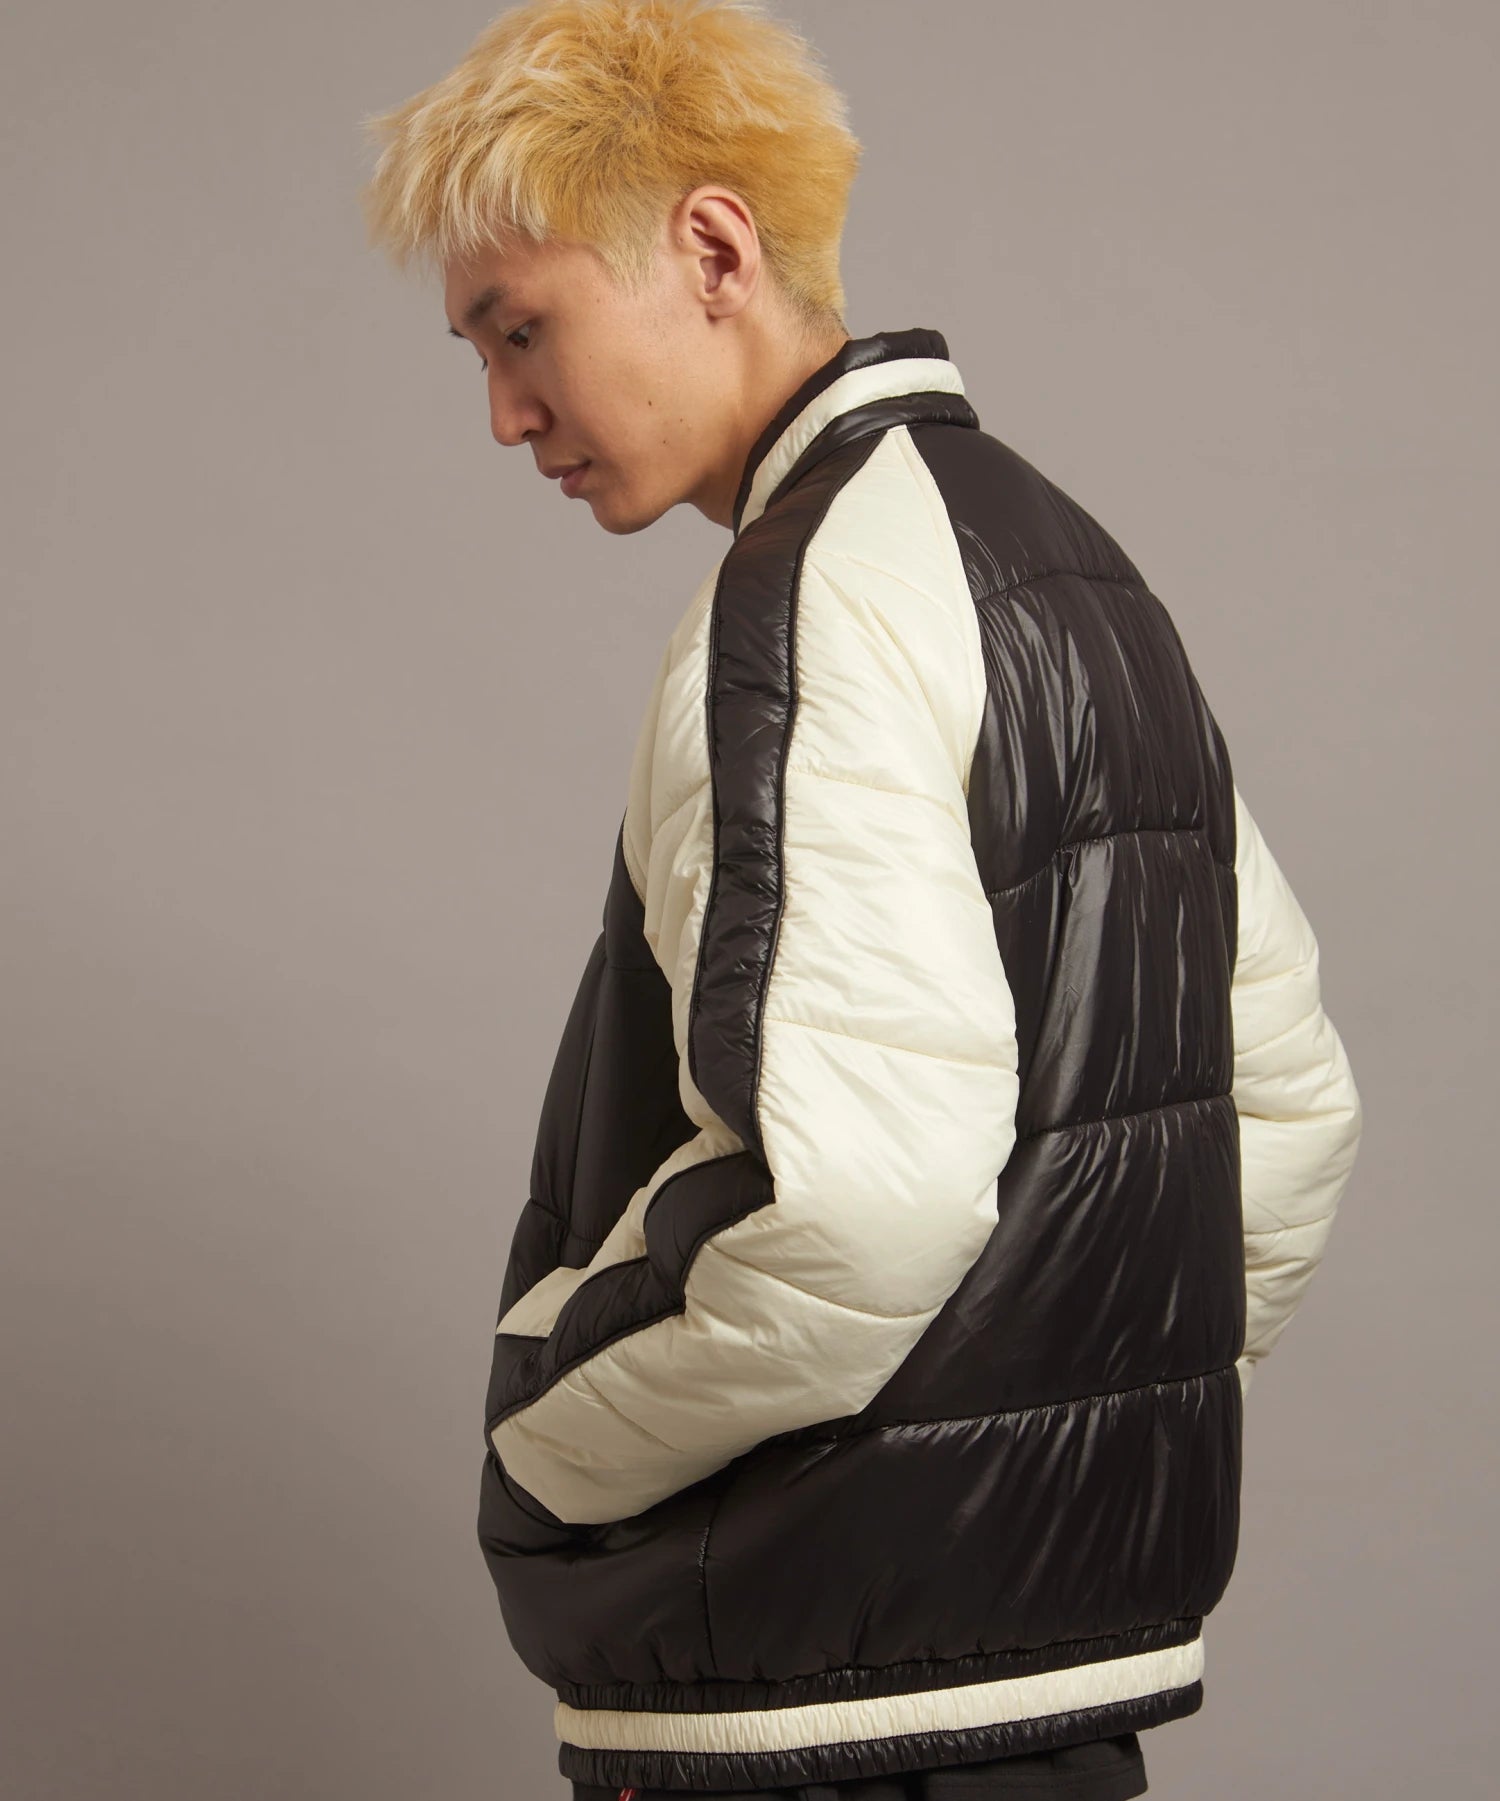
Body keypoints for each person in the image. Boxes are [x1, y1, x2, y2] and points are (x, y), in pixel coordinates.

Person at [358, 4, 1364, 1797]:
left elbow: (857, 1213)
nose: (506, 412)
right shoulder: (1074, 572)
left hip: (810, 1730)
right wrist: (1039, 1431)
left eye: (521, 330)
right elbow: (1285, 1120)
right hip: (1055, 1721)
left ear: (713, 249)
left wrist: (542, 1439)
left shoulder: (808, 598)